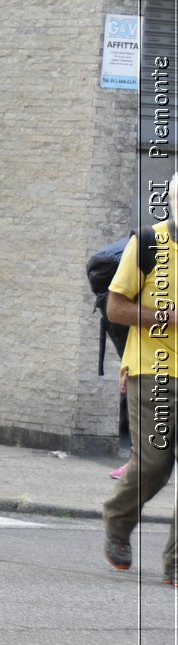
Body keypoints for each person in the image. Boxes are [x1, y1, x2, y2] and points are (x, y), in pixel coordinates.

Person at [101, 179, 178, 588]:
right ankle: (117, 519)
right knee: (154, 464)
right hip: (155, 372)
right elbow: (116, 308)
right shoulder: (148, 243)